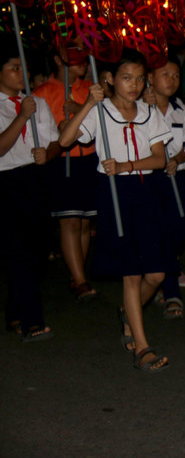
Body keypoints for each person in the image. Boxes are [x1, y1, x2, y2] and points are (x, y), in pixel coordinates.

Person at [59, 49, 173, 371]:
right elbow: (65, 141)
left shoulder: (149, 112)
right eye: (126, 78)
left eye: (139, 79)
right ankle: (142, 347)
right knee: (132, 273)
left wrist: (125, 165)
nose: (134, 85)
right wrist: (88, 104)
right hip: (115, 193)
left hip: (145, 191)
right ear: (109, 78)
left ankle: (127, 312)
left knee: (157, 273)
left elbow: (159, 159)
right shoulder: (101, 111)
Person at [0, 39, 59, 341]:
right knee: (19, 250)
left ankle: (14, 311)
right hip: (7, 181)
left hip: (35, 178)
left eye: (22, 67)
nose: (21, 73)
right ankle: (31, 321)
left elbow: (54, 141)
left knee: (37, 250)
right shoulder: (20, 108)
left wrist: (47, 153)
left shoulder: (38, 103)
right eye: (14, 68)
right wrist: (22, 116)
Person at [33, 53, 98, 301]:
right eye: (74, 56)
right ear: (58, 60)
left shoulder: (90, 89)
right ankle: (80, 280)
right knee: (69, 221)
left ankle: (76, 272)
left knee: (84, 222)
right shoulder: (43, 92)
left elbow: (101, 120)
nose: (81, 61)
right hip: (61, 161)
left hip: (88, 158)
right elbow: (40, 131)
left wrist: (81, 109)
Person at [143, 58, 185, 319]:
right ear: (150, 78)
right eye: (165, 74)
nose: (172, 80)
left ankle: (162, 270)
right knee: (161, 230)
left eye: (176, 75)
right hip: (151, 178)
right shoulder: (139, 108)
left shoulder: (181, 110)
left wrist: (176, 159)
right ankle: (171, 290)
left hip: (179, 176)